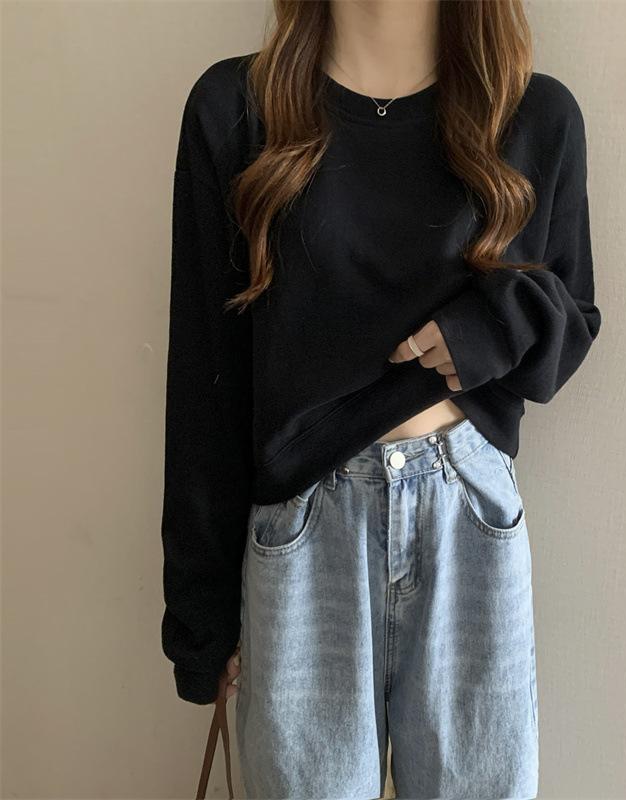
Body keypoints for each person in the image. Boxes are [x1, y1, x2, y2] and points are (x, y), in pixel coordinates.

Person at [160, 0, 601, 797]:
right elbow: (204, 379)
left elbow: (572, 318)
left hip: (468, 519)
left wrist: (486, 330)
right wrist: (203, 618)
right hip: (301, 528)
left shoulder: (532, 115)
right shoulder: (237, 109)